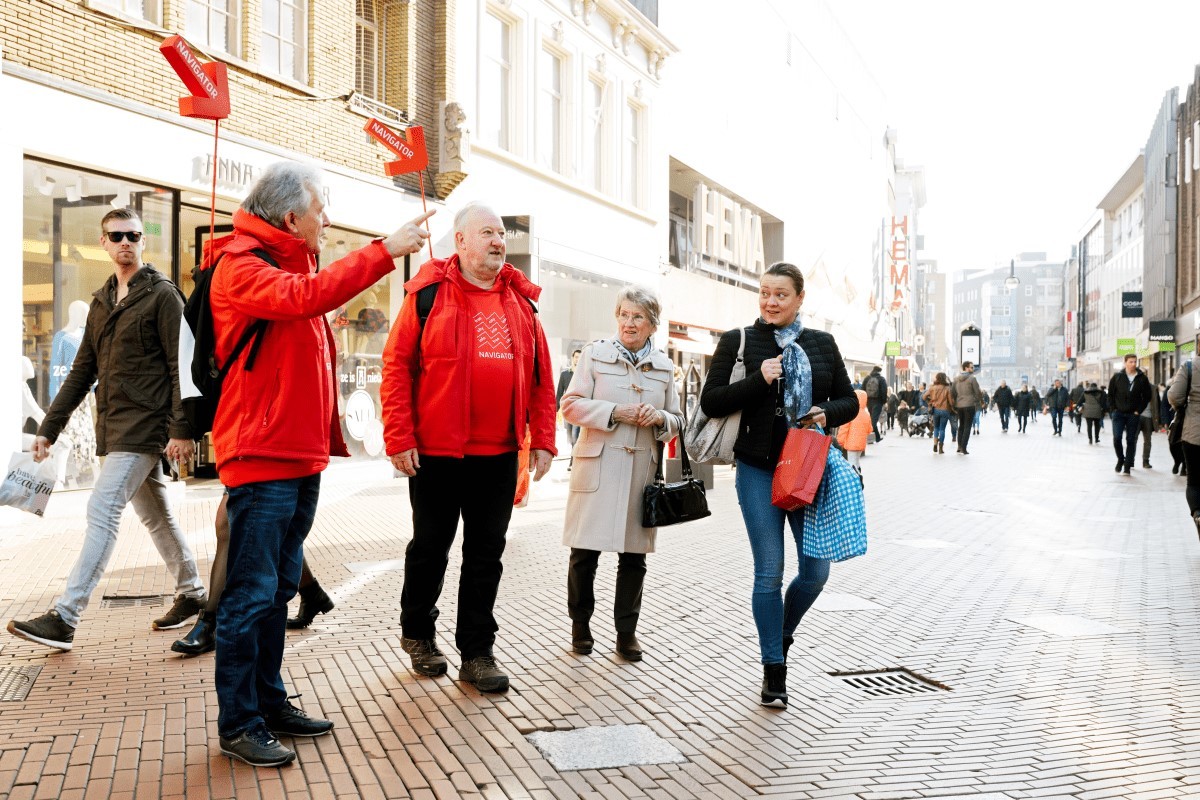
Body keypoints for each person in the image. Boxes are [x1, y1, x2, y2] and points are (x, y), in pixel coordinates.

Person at [205, 161, 434, 767]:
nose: (326, 219)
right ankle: (239, 722)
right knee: (251, 594)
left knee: (277, 589)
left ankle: (269, 701)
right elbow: (305, 299)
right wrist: (383, 251)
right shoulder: (242, 266)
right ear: (290, 217)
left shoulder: (290, 264)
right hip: (262, 455)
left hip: (294, 455)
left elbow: (308, 307)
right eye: (321, 209)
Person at [7, 208, 206, 652]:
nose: (125, 242)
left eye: (133, 235)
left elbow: (181, 366)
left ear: (141, 241)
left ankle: (66, 615)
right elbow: (82, 371)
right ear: (103, 242)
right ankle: (192, 593)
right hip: (113, 427)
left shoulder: (162, 295)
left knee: (101, 508)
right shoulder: (101, 302)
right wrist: (49, 428)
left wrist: (181, 428)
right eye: (116, 235)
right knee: (156, 515)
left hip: (147, 426)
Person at [382, 202, 556, 696]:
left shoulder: (522, 304)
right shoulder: (428, 294)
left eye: (501, 233)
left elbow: (543, 380)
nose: (499, 241)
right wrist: (399, 437)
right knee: (430, 549)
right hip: (436, 454)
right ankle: (418, 634)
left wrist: (542, 439)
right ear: (460, 242)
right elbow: (396, 368)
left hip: (499, 454)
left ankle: (477, 652)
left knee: (486, 555)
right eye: (488, 233)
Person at [699, 262, 857, 708]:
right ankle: (774, 670)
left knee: (815, 572)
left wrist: (826, 411)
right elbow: (711, 401)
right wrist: (759, 378)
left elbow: (849, 399)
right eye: (765, 292)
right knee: (769, 572)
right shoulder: (739, 341)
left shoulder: (822, 343)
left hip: (809, 469)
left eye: (781, 294)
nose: (770, 301)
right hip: (758, 471)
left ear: (800, 298)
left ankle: (781, 634)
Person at [559, 287, 682, 662]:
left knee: (634, 558)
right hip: (597, 467)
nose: (629, 323)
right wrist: (615, 412)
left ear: (652, 324)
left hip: (640, 473)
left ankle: (626, 632)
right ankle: (581, 626)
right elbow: (570, 406)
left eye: (638, 317)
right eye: (624, 315)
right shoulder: (595, 356)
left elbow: (678, 420)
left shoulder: (663, 367)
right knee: (584, 555)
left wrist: (660, 418)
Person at [170, 495, 334, 655]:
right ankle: (312, 593)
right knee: (274, 526)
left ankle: (209, 623)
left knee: (230, 523)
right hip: (248, 469)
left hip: (272, 470)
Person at [1168, 356, 1200, 538]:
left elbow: (1174, 395)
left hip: (1194, 433)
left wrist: (1183, 406)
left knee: (1194, 481)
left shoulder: (1190, 366)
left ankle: (1198, 514)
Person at [1107, 353, 1152, 475]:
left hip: (1133, 414)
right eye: (1130, 362)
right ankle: (1121, 459)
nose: (1133, 364)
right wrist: (1113, 409)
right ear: (1125, 362)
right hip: (1118, 413)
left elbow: (1147, 396)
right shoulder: (1117, 377)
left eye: (1135, 362)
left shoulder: (1142, 378)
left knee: (1131, 440)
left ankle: (1127, 466)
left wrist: (1139, 410)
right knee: (1117, 438)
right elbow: (1110, 395)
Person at [556, 349, 582, 461]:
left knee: (576, 436)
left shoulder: (584, 375)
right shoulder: (565, 374)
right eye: (576, 357)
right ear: (572, 358)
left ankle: (573, 461)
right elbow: (559, 393)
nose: (578, 359)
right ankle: (573, 458)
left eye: (580, 357)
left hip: (580, 409)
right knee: (570, 437)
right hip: (568, 410)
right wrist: (555, 411)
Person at [952, 361, 983, 455]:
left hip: (959, 405)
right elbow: (977, 392)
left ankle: (959, 446)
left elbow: (953, 392)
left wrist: (955, 403)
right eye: (971, 367)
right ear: (966, 368)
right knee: (967, 426)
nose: (973, 369)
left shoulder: (956, 379)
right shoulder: (972, 379)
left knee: (961, 425)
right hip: (969, 405)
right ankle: (964, 448)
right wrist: (980, 401)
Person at [836, 389, 872, 468]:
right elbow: (870, 430)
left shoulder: (851, 413)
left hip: (851, 444)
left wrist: (839, 441)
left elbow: (844, 429)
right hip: (861, 444)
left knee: (852, 463)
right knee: (857, 461)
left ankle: (855, 479)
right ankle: (859, 477)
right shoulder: (866, 414)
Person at [924, 373, 955, 454]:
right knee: (942, 429)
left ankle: (935, 444)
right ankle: (941, 447)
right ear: (945, 379)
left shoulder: (932, 388)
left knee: (936, 428)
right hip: (945, 410)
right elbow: (951, 402)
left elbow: (923, 397)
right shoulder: (948, 388)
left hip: (936, 410)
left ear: (937, 378)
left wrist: (930, 402)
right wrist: (953, 407)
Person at [1140, 380, 1162, 469]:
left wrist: (1159, 421)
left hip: (1149, 418)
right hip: (1136, 417)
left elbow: (1158, 404)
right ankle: (1130, 461)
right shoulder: (1135, 386)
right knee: (1132, 440)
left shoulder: (1153, 388)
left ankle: (1146, 461)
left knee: (1147, 441)